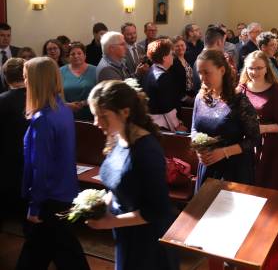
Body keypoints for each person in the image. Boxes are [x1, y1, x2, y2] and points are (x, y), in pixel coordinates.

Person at [86, 80, 179, 270]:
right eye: (95, 116)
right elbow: (118, 184)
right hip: (126, 234)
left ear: (125, 112)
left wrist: (110, 221)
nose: (96, 123)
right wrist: (103, 205)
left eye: (103, 116)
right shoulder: (118, 138)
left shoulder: (147, 151)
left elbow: (156, 211)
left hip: (148, 243)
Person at [16, 57, 90, 270]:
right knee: (56, 252)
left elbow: (41, 168)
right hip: (64, 191)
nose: (25, 83)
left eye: (26, 78)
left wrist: (34, 206)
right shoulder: (63, 109)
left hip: (49, 198)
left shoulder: (43, 119)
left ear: (36, 81)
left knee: (57, 253)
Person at [192, 50, 261, 189]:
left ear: (222, 70)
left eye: (207, 72)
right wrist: (198, 148)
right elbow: (194, 128)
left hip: (233, 169)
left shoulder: (239, 100)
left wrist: (224, 152)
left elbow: (255, 139)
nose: (202, 77)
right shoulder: (200, 97)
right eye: (200, 72)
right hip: (208, 166)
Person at [238, 51, 278, 191]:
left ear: (266, 68)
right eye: (251, 68)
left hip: (272, 147)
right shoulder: (241, 89)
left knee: (271, 187)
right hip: (247, 146)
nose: (254, 72)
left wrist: (262, 128)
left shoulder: (277, 91)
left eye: (259, 68)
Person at [0, 58, 28, 222]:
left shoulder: (3, 100)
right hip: (33, 164)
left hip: (7, 164)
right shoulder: (41, 99)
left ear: (5, 77)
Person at [143, 39, 185, 132]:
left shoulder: (151, 70)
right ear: (164, 57)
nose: (173, 57)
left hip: (152, 123)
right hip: (161, 126)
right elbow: (167, 107)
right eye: (171, 54)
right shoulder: (162, 77)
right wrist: (177, 126)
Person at [60, 42, 97, 120]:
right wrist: (67, 104)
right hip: (67, 114)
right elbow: (56, 93)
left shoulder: (95, 70)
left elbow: (100, 93)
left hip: (91, 114)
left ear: (85, 55)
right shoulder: (60, 71)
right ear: (68, 57)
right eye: (72, 54)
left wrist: (84, 103)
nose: (76, 56)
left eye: (79, 53)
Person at [171, 36, 196, 106]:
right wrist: (185, 98)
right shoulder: (172, 62)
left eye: (182, 45)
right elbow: (173, 85)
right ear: (173, 48)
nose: (180, 48)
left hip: (191, 94)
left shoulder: (188, 58)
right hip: (181, 98)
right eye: (177, 46)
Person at [0, 23, 21, 93]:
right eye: (2, 35)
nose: (6, 38)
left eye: (8, 35)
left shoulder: (19, 52)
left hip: (16, 94)